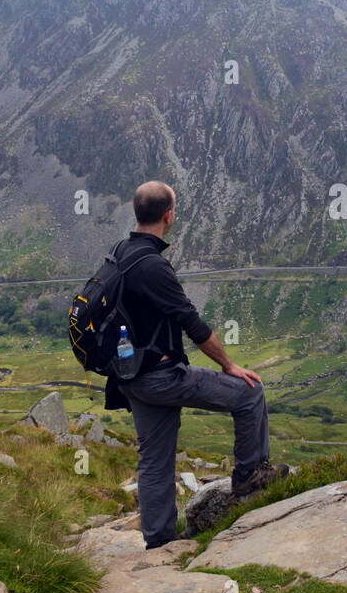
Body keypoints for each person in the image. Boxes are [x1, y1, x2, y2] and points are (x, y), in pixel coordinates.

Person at [105, 180, 287, 549]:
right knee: (250, 394)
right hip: (161, 375)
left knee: (155, 462)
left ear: (138, 213)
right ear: (168, 216)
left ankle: (160, 544)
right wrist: (230, 365)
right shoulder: (152, 265)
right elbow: (192, 322)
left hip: (130, 376)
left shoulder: (120, 252)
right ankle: (250, 476)